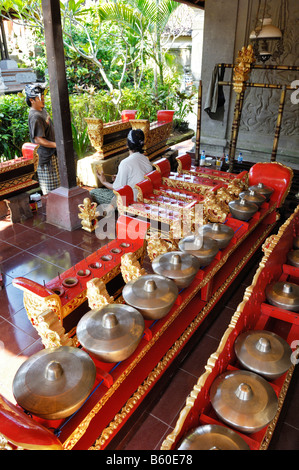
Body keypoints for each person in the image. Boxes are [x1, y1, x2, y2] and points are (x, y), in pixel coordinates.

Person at [90, 129, 153, 206]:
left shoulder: (125, 163)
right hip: (145, 197)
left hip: (131, 201)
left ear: (127, 145)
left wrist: (104, 182)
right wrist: (119, 177)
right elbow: (136, 177)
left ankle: (110, 212)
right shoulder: (145, 159)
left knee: (93, 192)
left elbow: (117, 189)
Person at [25, 83, 60, 195]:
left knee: (59, 188)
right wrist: (58, 145)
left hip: (52, 155)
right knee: (52, 192)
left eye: (43, 96)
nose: (43, 99)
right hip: (46, 159)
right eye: (40, 98)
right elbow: (38, 140)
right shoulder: (35, 116)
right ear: (32, 100)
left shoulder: (42, 110)